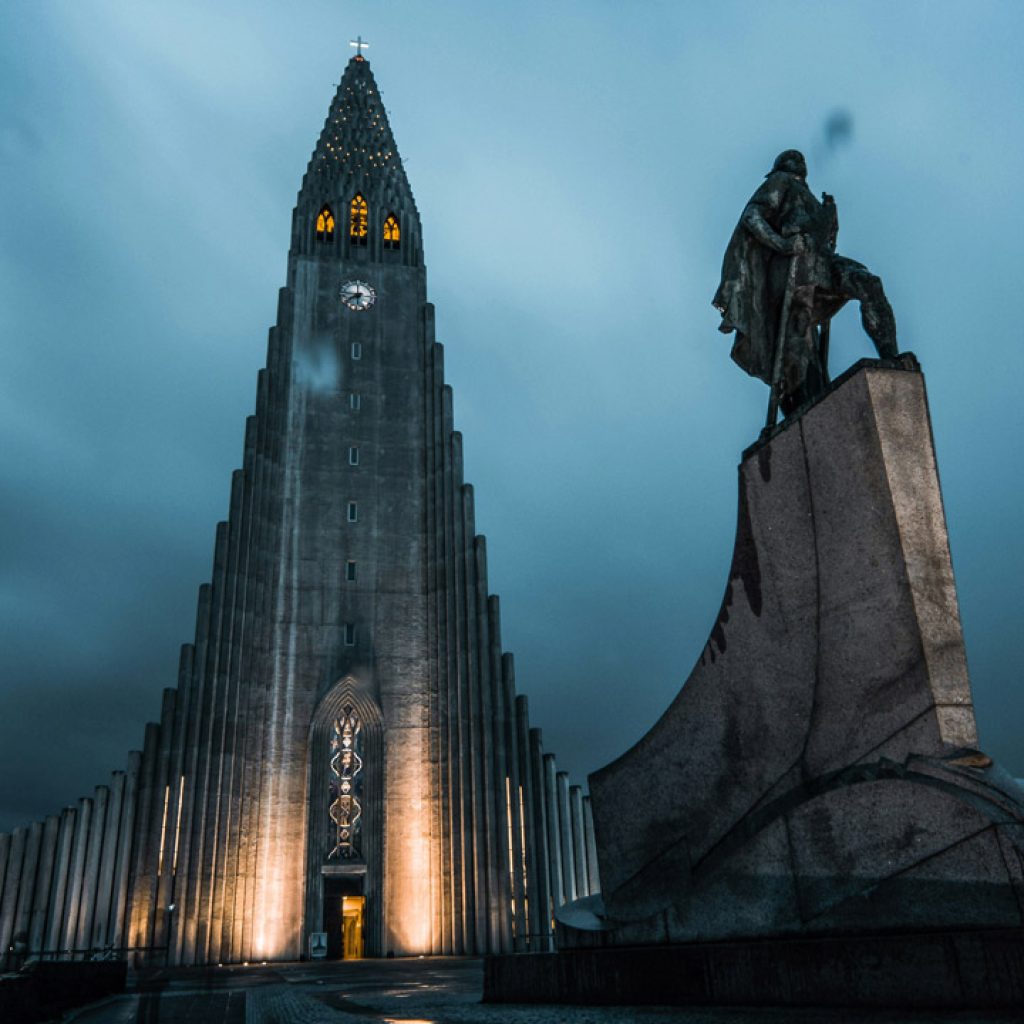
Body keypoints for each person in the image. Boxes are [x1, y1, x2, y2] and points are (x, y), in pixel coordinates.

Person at [713, 150, 898, 416]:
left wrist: (830, 218)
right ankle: (801, 403)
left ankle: (892, 357)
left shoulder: (811, 197)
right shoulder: (780, 182)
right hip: (793, 267)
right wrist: (784, 243)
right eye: (790, 157)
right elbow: (752, 217)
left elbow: (827, 241)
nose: (797, 158)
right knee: (799, 343)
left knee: (869, 284)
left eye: (799, 157)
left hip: (820, 261)